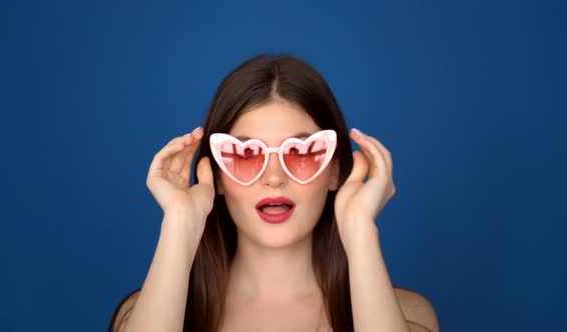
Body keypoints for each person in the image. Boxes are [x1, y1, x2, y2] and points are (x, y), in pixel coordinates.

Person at [108, 54, 439, 332]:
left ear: (334, 171)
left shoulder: (409, 315)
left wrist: (360, 230)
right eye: (246, 155)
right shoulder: (143, 315)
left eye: (303, 152)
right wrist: (179, 226)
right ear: (217, 178)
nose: (275, 178)